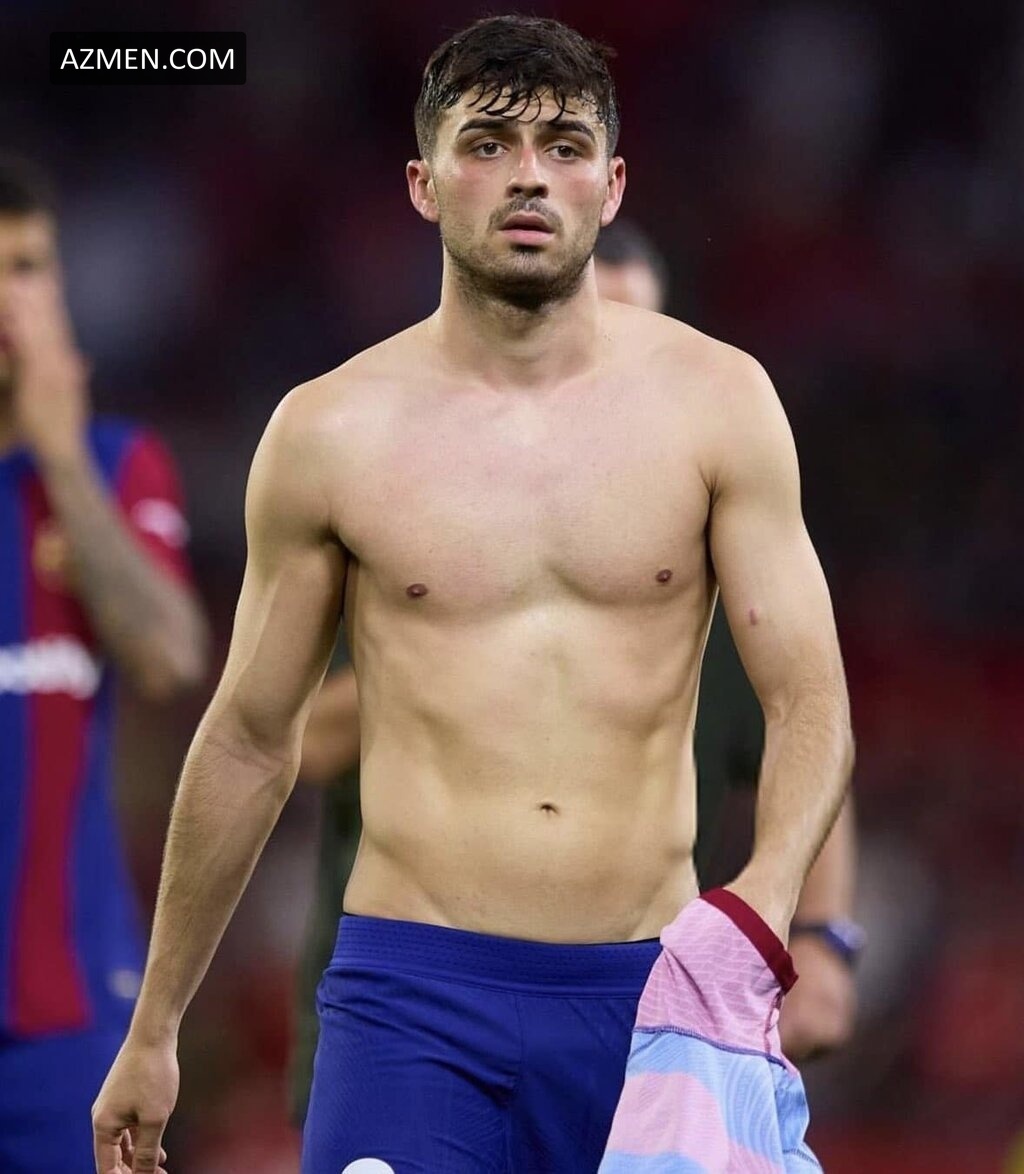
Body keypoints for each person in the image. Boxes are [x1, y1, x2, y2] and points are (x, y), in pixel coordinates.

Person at [93, 15, 854, 1174]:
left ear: (612, 183)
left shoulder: (720, 404)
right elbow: (249, 738)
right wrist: (155, 1027)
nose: (528, 175)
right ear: (423, 182)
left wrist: (765, 902)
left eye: (564, 145)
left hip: (650, 991)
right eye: (488, 143)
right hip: (410, 1000)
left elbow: (809, 698)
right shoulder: (327, 431)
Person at [287, 218, 861, 1125]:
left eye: (633, 334)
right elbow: (287, 740)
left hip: (628, 979)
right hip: (407, 977)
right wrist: (473, 642)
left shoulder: (707, 576)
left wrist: (817, 933)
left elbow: (809, 721)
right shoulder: (416, 516)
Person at [0, 155, 209, 1173]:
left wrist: (61, 458)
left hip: (69, 1012)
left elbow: (170, 654)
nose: (10, 300)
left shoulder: (119, 465)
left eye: (29, 267)